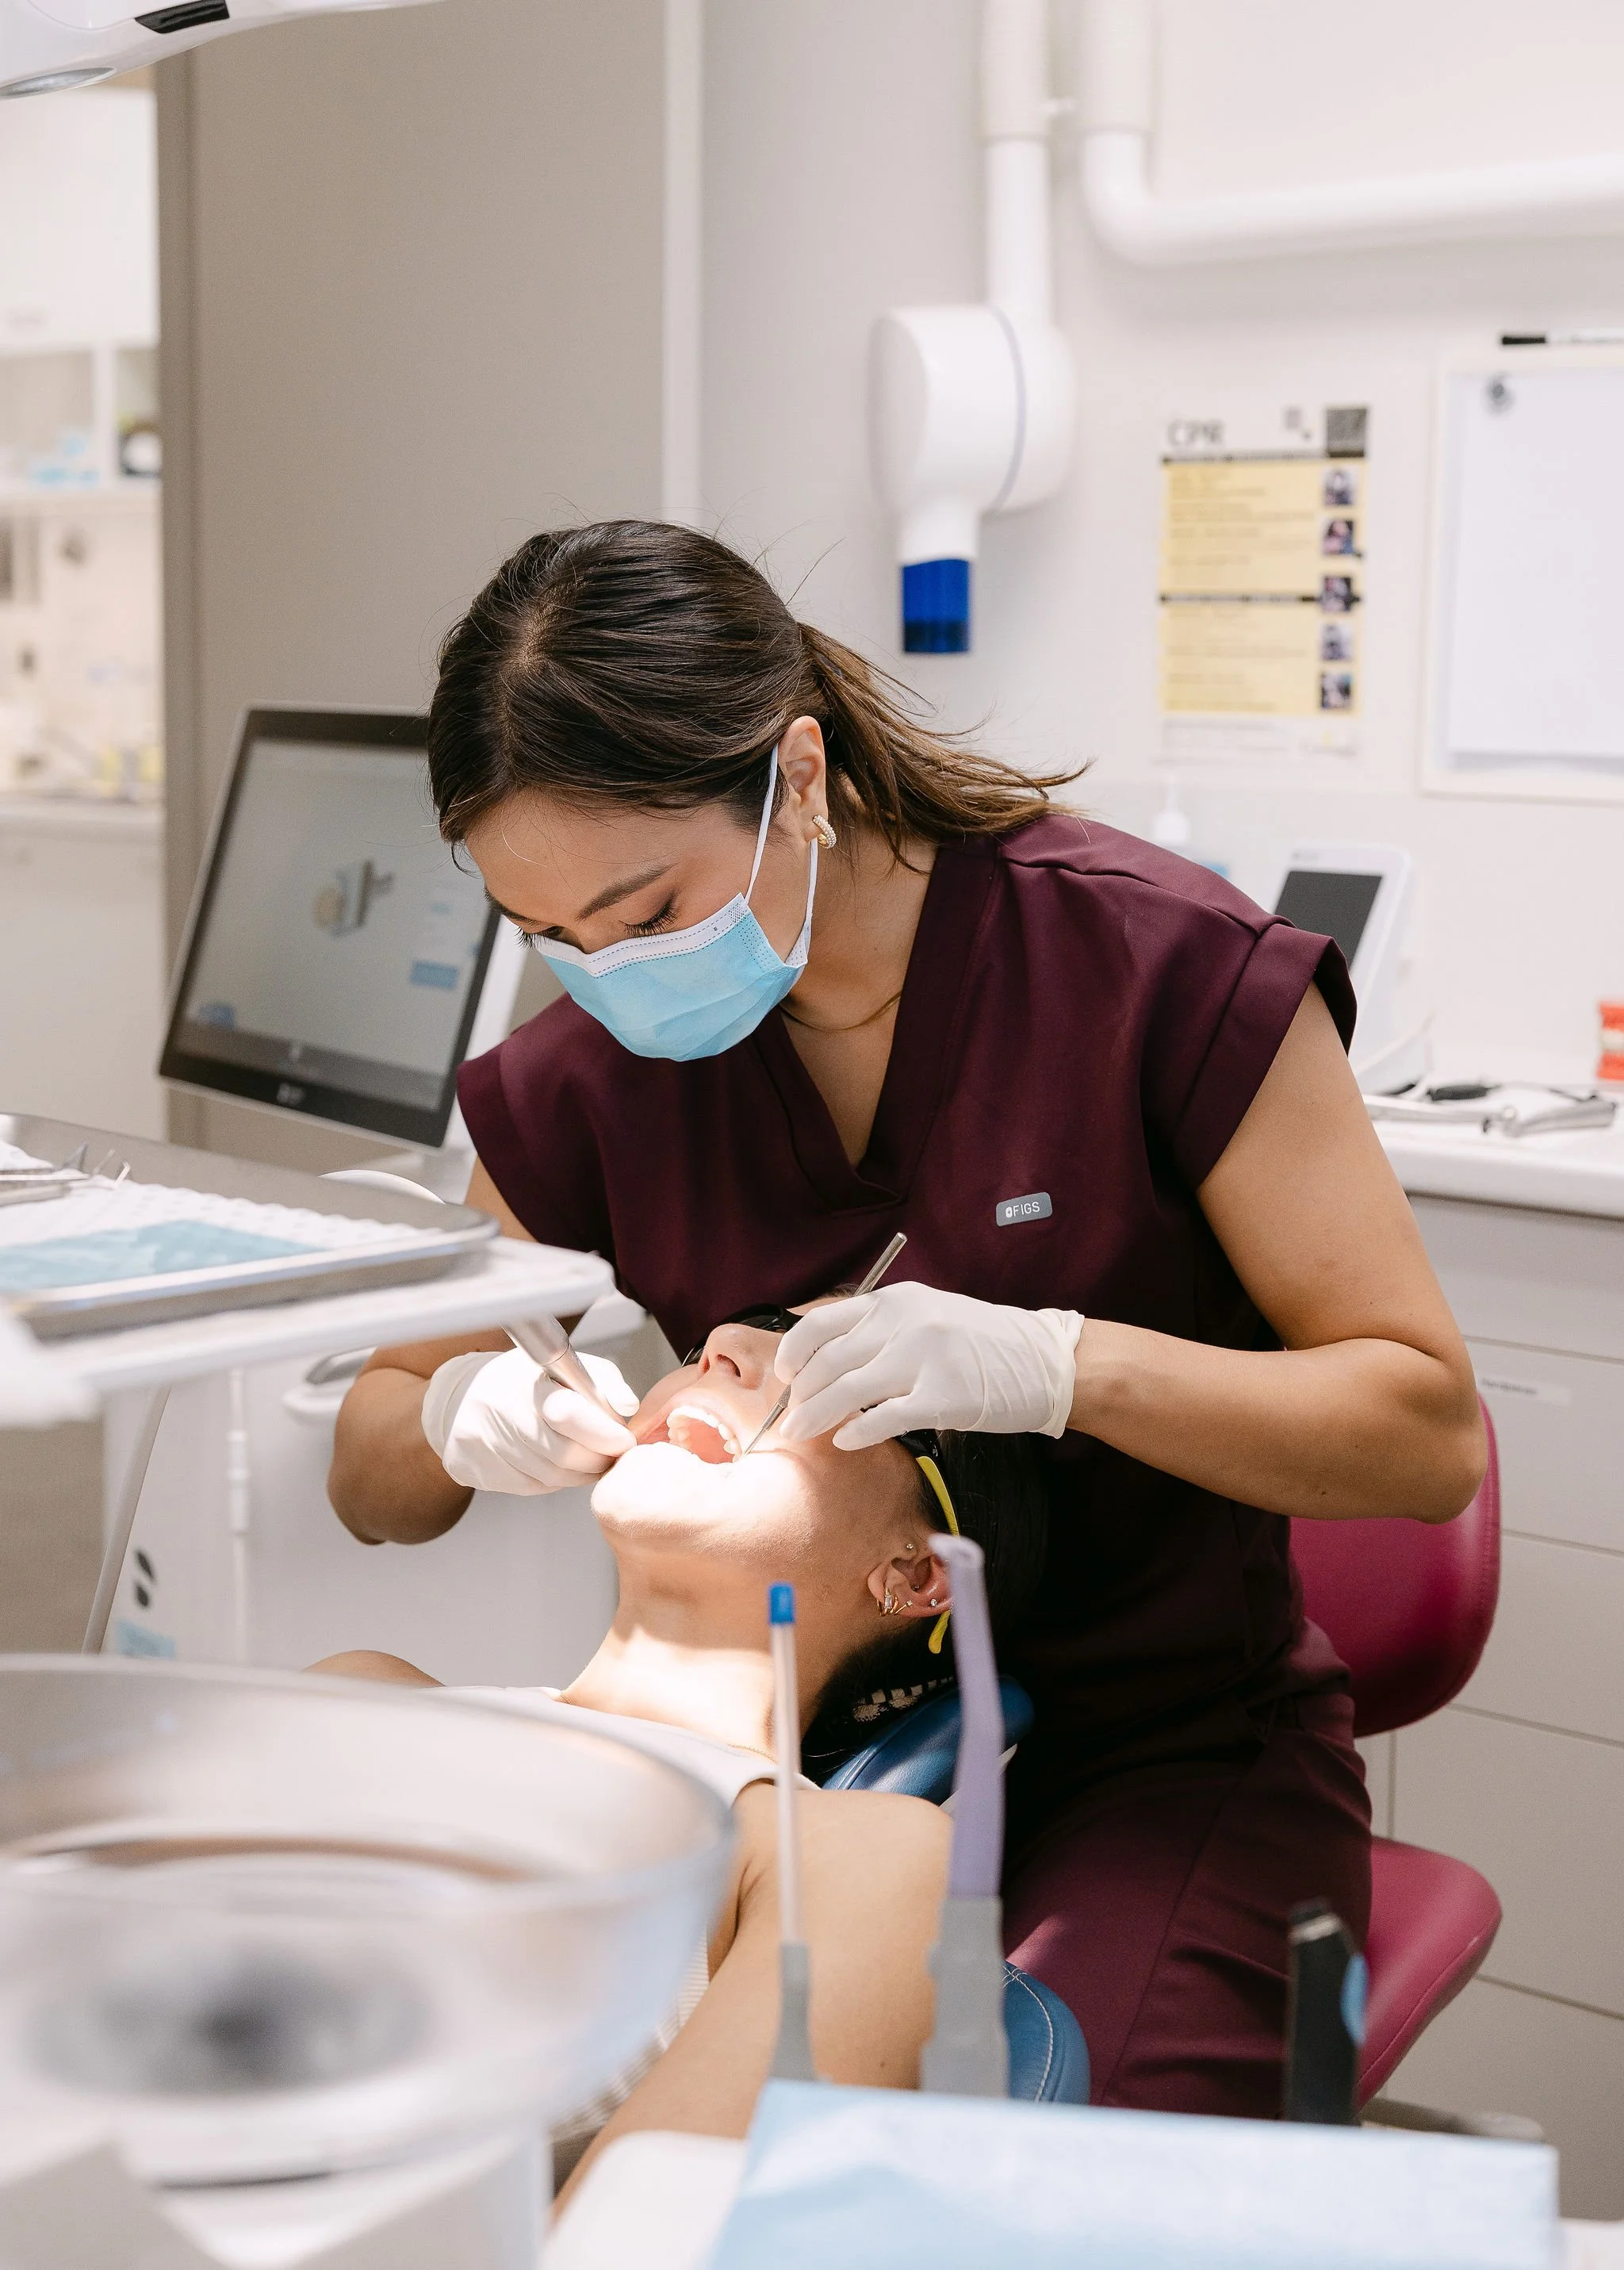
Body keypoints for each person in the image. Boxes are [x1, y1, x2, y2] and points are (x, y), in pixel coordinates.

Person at [330, 519, 1486, 2117]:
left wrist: (1059, 1363)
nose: (606, 972)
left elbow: (1423, 1435)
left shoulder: (1145, 965)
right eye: (552, 938)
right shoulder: (605, 1061)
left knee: (1018, 2160)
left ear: (794, 774)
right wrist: (454, 1418)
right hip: (835, 1741)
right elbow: (371, 1463)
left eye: (645, 902)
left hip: (1165, 1751)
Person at [317, 1304, 1048, 2199]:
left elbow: (641, 2237)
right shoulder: (361, 1693)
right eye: (710, 1344)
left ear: (917, 1573)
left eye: (833, 1366)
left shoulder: (850, 1854)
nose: (726, 1350)